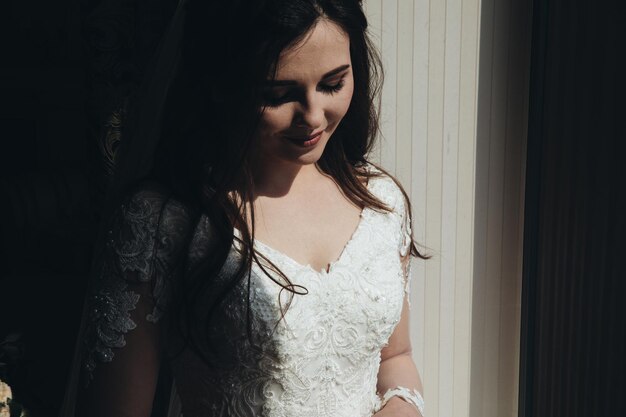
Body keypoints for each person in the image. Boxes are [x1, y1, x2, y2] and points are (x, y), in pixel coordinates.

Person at [62, 0, 428, 416]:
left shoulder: (382, 202)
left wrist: (401, 407)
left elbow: (394, 357)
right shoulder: (159, 222)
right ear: (222, 83)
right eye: (279, 94)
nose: (311, 117)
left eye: (332, 84)